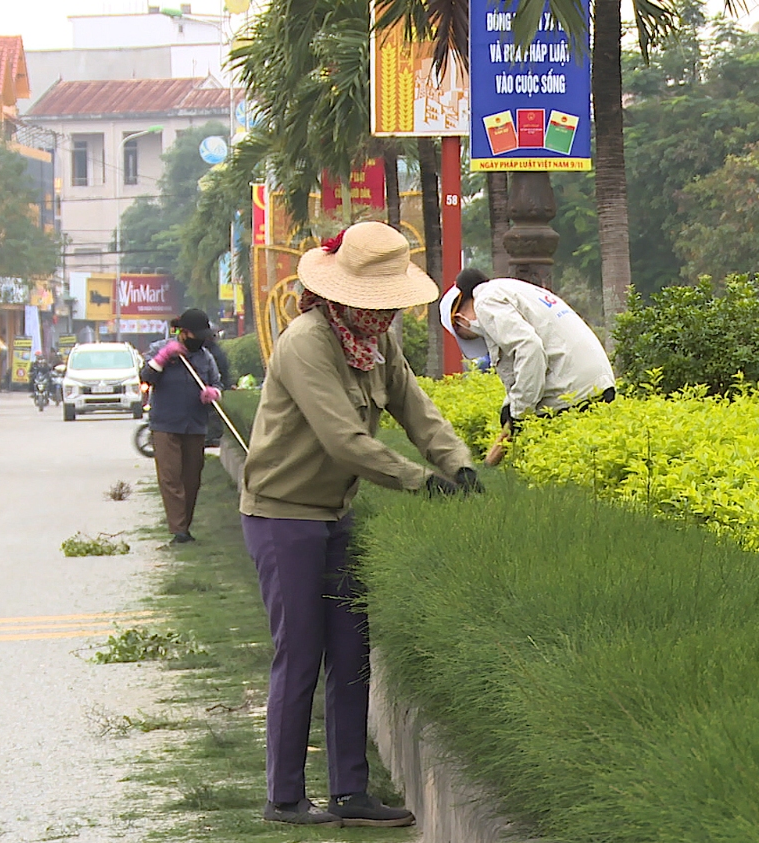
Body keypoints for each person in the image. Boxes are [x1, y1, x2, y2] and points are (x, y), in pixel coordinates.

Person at [241, 220, 482, 827]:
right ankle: (285, 798)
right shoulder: (307, 343)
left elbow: (416, 410)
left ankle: (351, 794)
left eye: (390, 304)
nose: (384, 315)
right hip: (283, 515)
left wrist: (459, 464)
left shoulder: (377, 346)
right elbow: (344, 441)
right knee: (300, 653)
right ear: (341, 295)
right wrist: (420, 482)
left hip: (335, 515)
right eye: (374, 303)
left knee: (352, 653)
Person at [440, 269, 616, 463]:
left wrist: (518, 412)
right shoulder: (510, 288)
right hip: (598, 384)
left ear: (459, 320)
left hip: (573, 393)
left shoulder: (486, 302)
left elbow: (529, 349)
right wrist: (512, 406)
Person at [141, 309, 223, 544]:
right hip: (165, 424)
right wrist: (163, 359)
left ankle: (185, 524)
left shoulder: (205, 357)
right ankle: (178, 531)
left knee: (191, 479)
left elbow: (217, 382)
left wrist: (213, 393)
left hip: (195, 425)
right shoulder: (160, 349)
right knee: (171, 477)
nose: (201, 340)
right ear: (184, 333)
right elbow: (146, 377)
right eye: (196, 335)